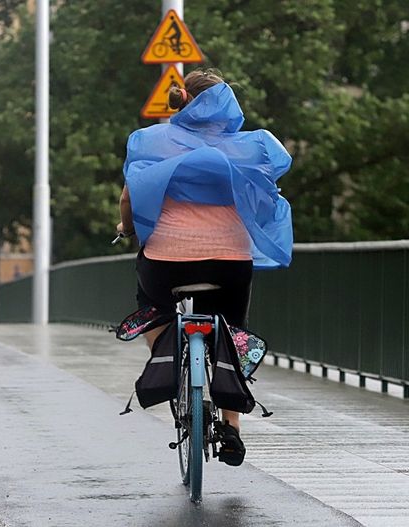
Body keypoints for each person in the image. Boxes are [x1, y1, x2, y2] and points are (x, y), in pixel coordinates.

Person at [118, 69, 293, 467]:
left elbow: (129, 198)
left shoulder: (152, 141)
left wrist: (126, 229)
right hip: (230, 261)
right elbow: (268, 195)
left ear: (182, 100)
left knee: (152, 302)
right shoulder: (250, 146)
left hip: (167, 261)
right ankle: (231, 426)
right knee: (232, 330)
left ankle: (165, 348)